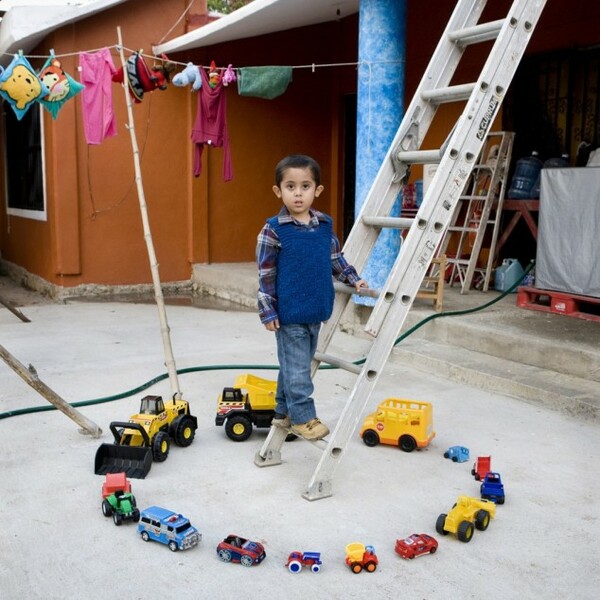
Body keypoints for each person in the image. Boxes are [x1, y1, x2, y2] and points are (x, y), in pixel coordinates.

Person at [256, 154, 367, 440]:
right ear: (278, 191)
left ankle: (283, 411)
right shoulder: (273, 230)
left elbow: (335, 259)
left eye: (305, 186)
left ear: (316, 190)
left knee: (296, 366)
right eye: (290, 187)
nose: (298, 193)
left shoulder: (324, 226)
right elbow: (266, 273)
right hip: (289, 315)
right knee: (298, 371)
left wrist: (353, 279)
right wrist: (268, 310)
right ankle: (303, 418)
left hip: (316, 310)